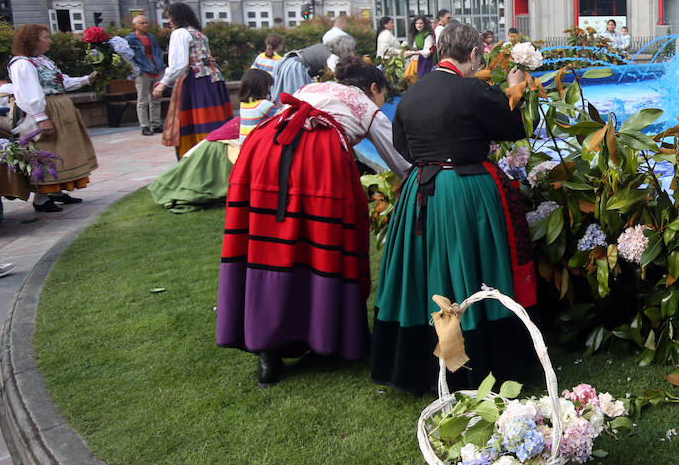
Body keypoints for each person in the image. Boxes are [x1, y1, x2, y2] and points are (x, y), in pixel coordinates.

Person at [217, 56, 410, 385]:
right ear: (374, 88)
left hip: (264, 149)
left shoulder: (312, 87)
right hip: (317, 161)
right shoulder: (366, 106)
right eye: (383, 96)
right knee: (320, 247)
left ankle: (267, 348)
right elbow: (402, 162)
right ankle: (326, 336)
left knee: (268, 245)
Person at [371, 22, 538, 394]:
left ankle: (422, 368)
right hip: (465, 190)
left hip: (420, 189)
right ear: (474, 54)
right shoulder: (473, 89)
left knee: (425, 274)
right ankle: (475, 366)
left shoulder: (412, 94)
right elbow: (516, 127)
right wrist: (516, 89)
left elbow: (403, 145)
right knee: (472, 271)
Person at [148, 67, 277, 212]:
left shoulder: (245, 104)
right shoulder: (264, 105)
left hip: (243, 145)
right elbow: (280, 117)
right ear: (262, 87)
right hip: (253, 147)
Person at [6, 24, 99, 213]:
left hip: (60, 108)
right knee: (46, 151)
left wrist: (88, 79)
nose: (50, 40)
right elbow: (27, 93)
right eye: (45, 37)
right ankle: (41, 199)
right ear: (33, 40)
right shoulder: (22, 63)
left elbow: (61, 81)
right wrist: (41, 118)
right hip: (45, 110)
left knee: (63, 150)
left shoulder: (43, 60)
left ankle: (57, 192)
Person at [153, 3, 232, 159]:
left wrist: (164, 83)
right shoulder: (198, 33)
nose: (168, 21)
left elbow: (179, 64)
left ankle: (197, 158)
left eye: (170, 16)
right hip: (212, 80)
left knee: (196, 122)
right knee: (214, 121)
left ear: (178, 16)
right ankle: (217, 157)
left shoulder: (180, 33)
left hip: (195, 83)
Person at [124, 14, 165, 136]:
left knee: (156, 99)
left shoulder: (151, 37)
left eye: (146, 23)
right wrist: (138, 69)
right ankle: (144, 126)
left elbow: (157, 52)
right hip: (143, 72)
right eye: (142, 23)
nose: (145, 25)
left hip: (156, 69)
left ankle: (156, 124)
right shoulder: (130, 39)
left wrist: (161, 67)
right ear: (135, 25)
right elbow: (127, 56)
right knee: (142, 99)